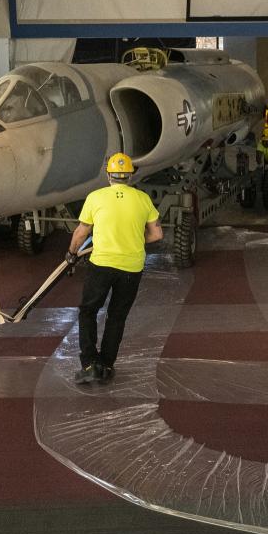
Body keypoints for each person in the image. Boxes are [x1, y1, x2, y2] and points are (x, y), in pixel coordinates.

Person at [66, 152, 163, 384]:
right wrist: (135, 242)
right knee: (117, 316)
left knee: (88, 311)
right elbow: (157, 234)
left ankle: (90, 364)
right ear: (130, 175)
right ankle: (107, 366)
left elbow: (81, 233)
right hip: (132, 266)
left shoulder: (95, 197)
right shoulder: (143, 199)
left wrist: (71, 254)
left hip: (101, 264)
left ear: (109, 174)